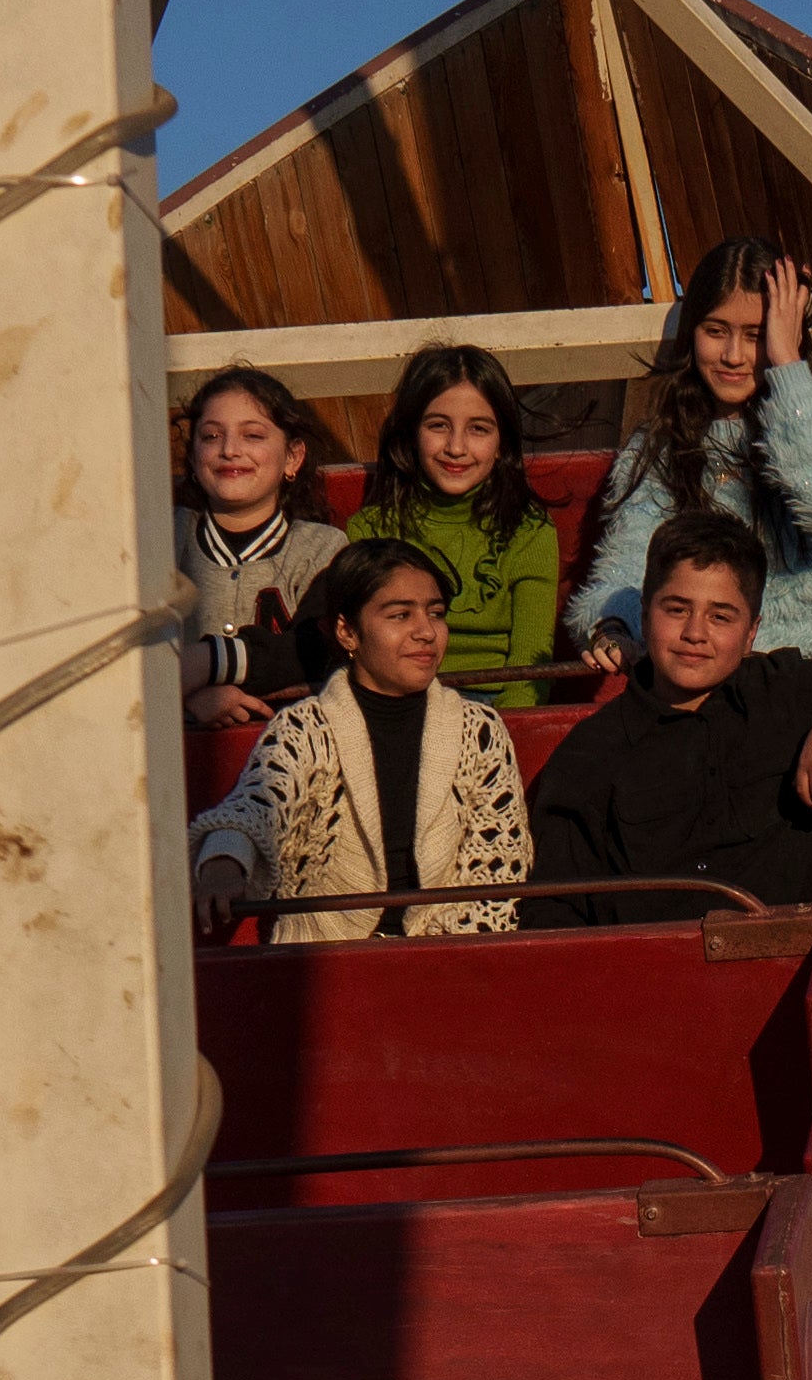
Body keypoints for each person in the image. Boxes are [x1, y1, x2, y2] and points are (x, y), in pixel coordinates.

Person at [521, 513, 812, 925]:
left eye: (721, 616)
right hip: (656, 971)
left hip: (798, 964)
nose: (695, 633)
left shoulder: (782, 692)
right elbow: (556, 911)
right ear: (643, 614)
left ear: (751, 632)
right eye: (676, 609)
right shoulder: (591, 752)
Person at [564, 238, 812, 664]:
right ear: (692, 332)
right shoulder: (663, 447)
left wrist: (787, 365)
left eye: (756, 335)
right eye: (716, 331)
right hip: (723, 671)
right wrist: (614, 625)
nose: (734, 356)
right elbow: (632, 562)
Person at [208, 538, 536, 942]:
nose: (426, 632)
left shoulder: (479, 730)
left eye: (435, 614)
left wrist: (441, 957)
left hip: (448, 955)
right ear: (347, 632)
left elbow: (498, 866)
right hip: (324, 955)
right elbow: (257, 806)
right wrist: (225, 857)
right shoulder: (306, 728)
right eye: (400, 615)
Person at [351, 340, 575, 710]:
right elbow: (363, 658)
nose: (456, 447)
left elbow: (529, 670)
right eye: (439, 426)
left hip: (495, 707)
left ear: (502, 442)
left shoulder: (528, 530)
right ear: (411, 433)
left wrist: (501, 730)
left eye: (478, 429)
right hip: (400, 705)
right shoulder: (370, 530)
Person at [172, 369, 350, 745]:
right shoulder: (163, 539)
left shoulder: (322, 549)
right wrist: (185, 696)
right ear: (192, 455)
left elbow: (317, 647)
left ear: (293, 457)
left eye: (252, 435)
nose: (229, 450)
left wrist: (208, 662)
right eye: (211, 436)